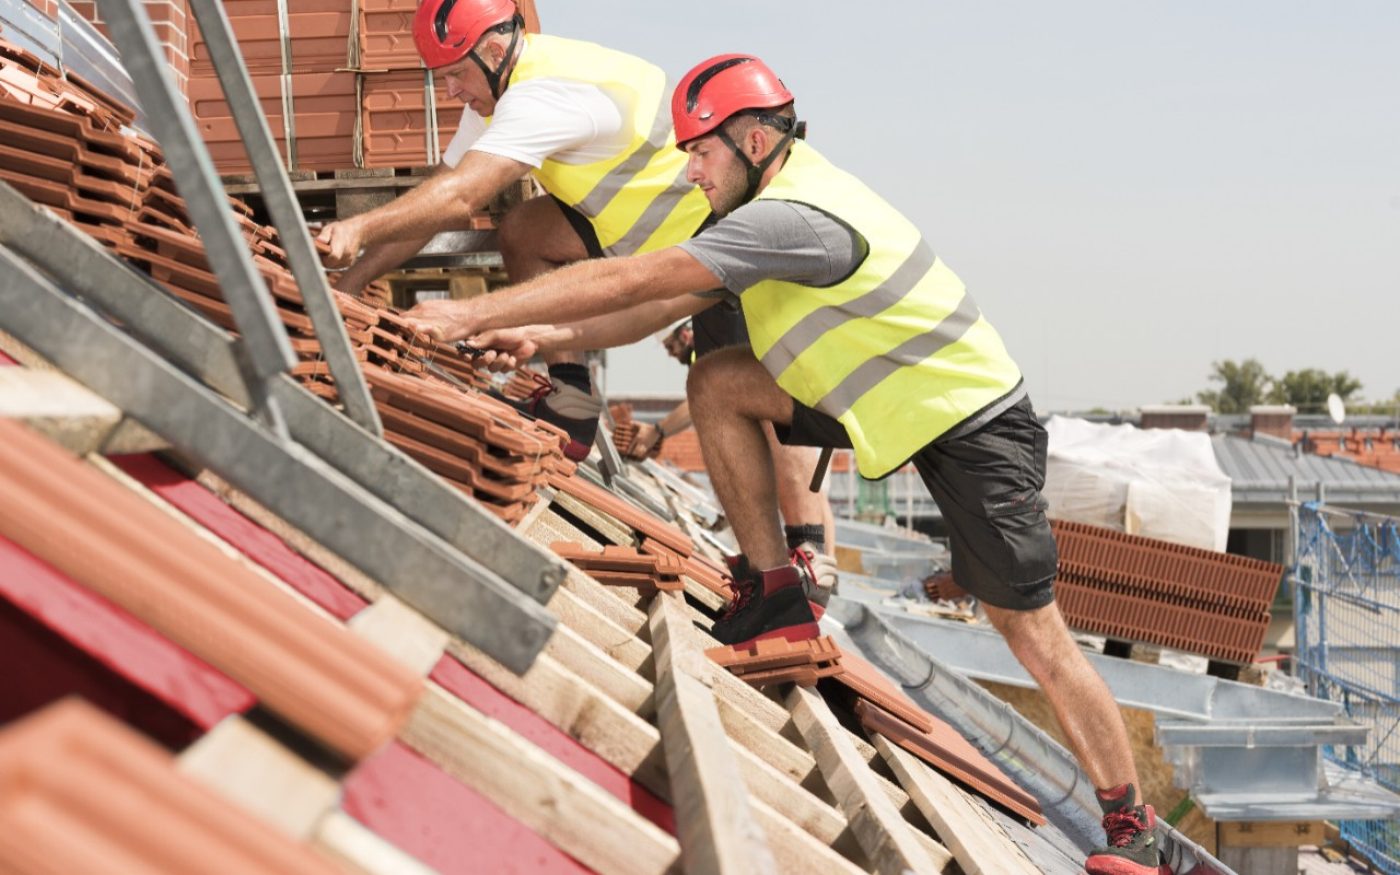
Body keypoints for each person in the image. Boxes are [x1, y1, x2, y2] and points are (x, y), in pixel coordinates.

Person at [403, 54, 1167, 875]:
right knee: (720, 382)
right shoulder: (757, 202)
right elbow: (651, 310)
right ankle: (775, 595)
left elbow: (635, 274)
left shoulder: (791, 218)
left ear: (757, 140)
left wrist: (471, 312)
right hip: (872, 394)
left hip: (969, 425)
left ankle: (1135, 826)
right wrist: (543, 338)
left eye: (701, 152)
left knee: (1028, 629)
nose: (687, 168)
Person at [316, 0, 712, 460]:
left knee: (722, 386)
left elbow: (461, 197)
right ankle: (573, 407)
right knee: (525, 231)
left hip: (695, 236)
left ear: (494, 48)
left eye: (457, 74)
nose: (449, 91)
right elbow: (440, 200)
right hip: (632, 215)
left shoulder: (539, 95)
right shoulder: (504, 85)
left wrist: (358, 228)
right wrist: (350, 285)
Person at [620, 317, 838, 583]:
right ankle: (816, 571)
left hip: (797, 419)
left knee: (813, 496)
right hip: (794, 417)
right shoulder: (711, 350)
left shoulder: (726, 339)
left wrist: (659, 430)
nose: (670, 353)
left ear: (685, 334)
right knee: (806, 495)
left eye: (670, 345)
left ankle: (821, 572)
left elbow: (707, 398)